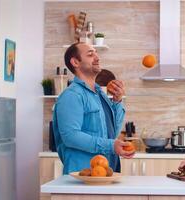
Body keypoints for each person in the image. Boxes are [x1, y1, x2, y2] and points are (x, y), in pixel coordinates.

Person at [52, 42, 134, 175]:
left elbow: (113, 132)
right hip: (82, 176)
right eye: (90, 54)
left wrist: (118, 101)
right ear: (75, 62)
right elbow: (70, 136)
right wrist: (111, 146)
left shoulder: (100, 93)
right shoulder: (72, 95)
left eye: (96, 53)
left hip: (106, 172)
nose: (97, 57)